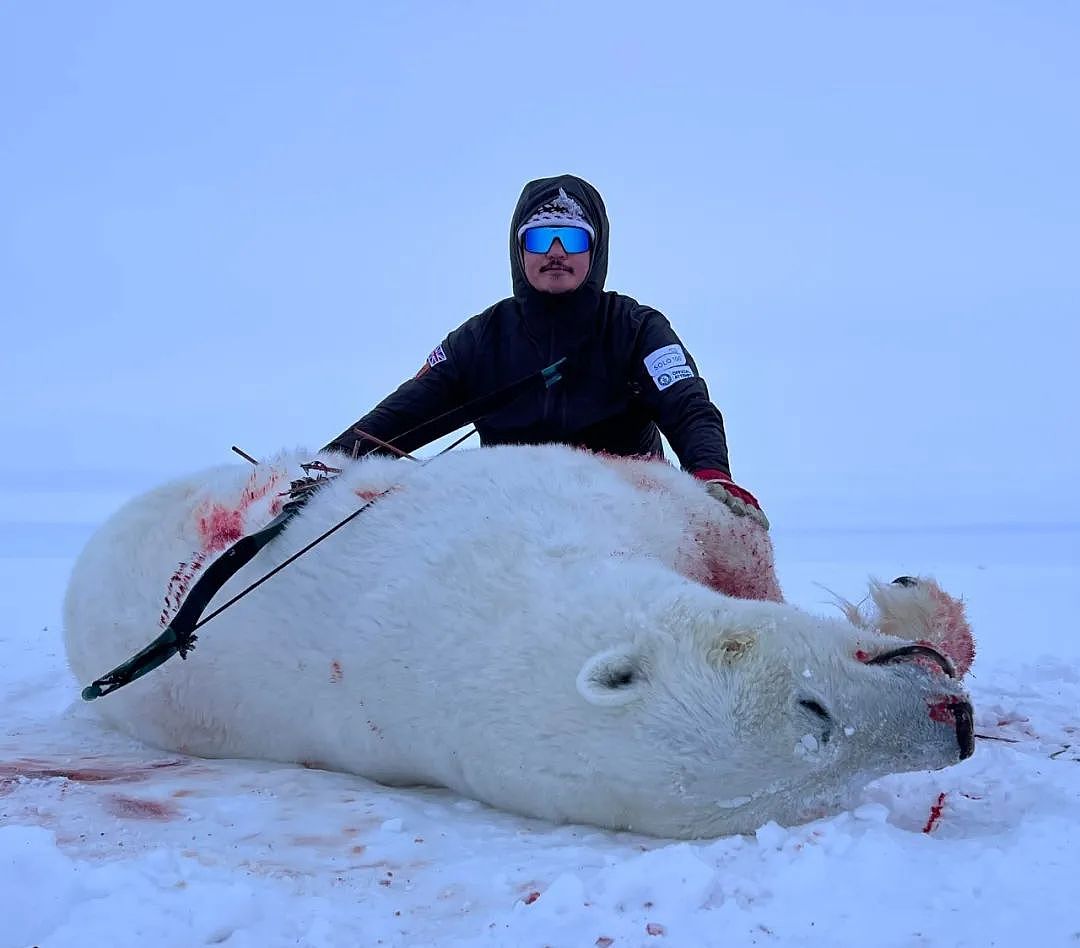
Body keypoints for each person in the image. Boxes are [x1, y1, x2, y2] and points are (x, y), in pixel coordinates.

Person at [320, 174, 768, 529]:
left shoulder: (636, 327)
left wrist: (711, 473)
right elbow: (402, 416)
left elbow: (688, 405)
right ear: (519, 251)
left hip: (630, 517)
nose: (556, 253)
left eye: (572, 239)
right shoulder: (481, 339)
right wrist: (328, 463)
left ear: (595, 250)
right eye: (540, 240)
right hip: (515, 524)